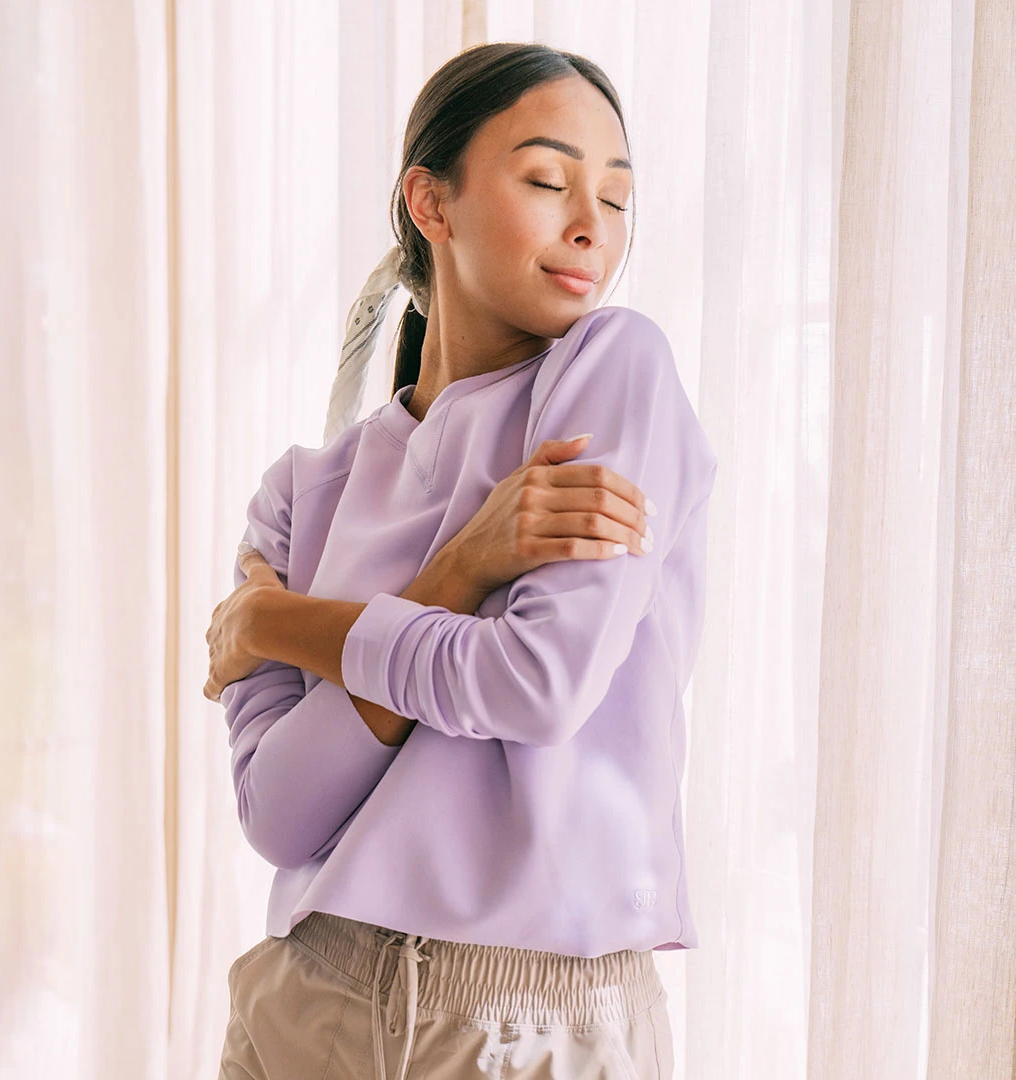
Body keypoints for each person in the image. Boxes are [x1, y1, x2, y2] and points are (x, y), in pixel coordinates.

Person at [207, 40, 717, 1080]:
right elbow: (282, 816)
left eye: (618, 198)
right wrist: (460, 569)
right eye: (548, 181)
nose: (594, 225)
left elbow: (534, 685)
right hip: (307, 999)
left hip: (532, 1021)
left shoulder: (615, 369)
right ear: (430, 202)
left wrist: (273, 622)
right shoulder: (301, 493)